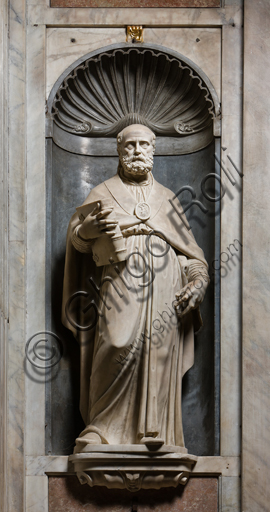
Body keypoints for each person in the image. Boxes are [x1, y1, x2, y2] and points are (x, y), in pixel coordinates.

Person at [62, 124, 209, 452]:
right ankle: (99, 428)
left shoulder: (167, 198)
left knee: (157, 349)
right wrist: (86, 229)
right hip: (122, 279)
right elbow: (77, 240)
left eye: (144, 145)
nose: (137, 151)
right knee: (116, 341)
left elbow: (190, 253)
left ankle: (153, 430)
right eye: (130, 146)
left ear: (153, 150)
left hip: (166, 283)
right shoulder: (104, 191)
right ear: (119, 150)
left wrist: (198, 281)